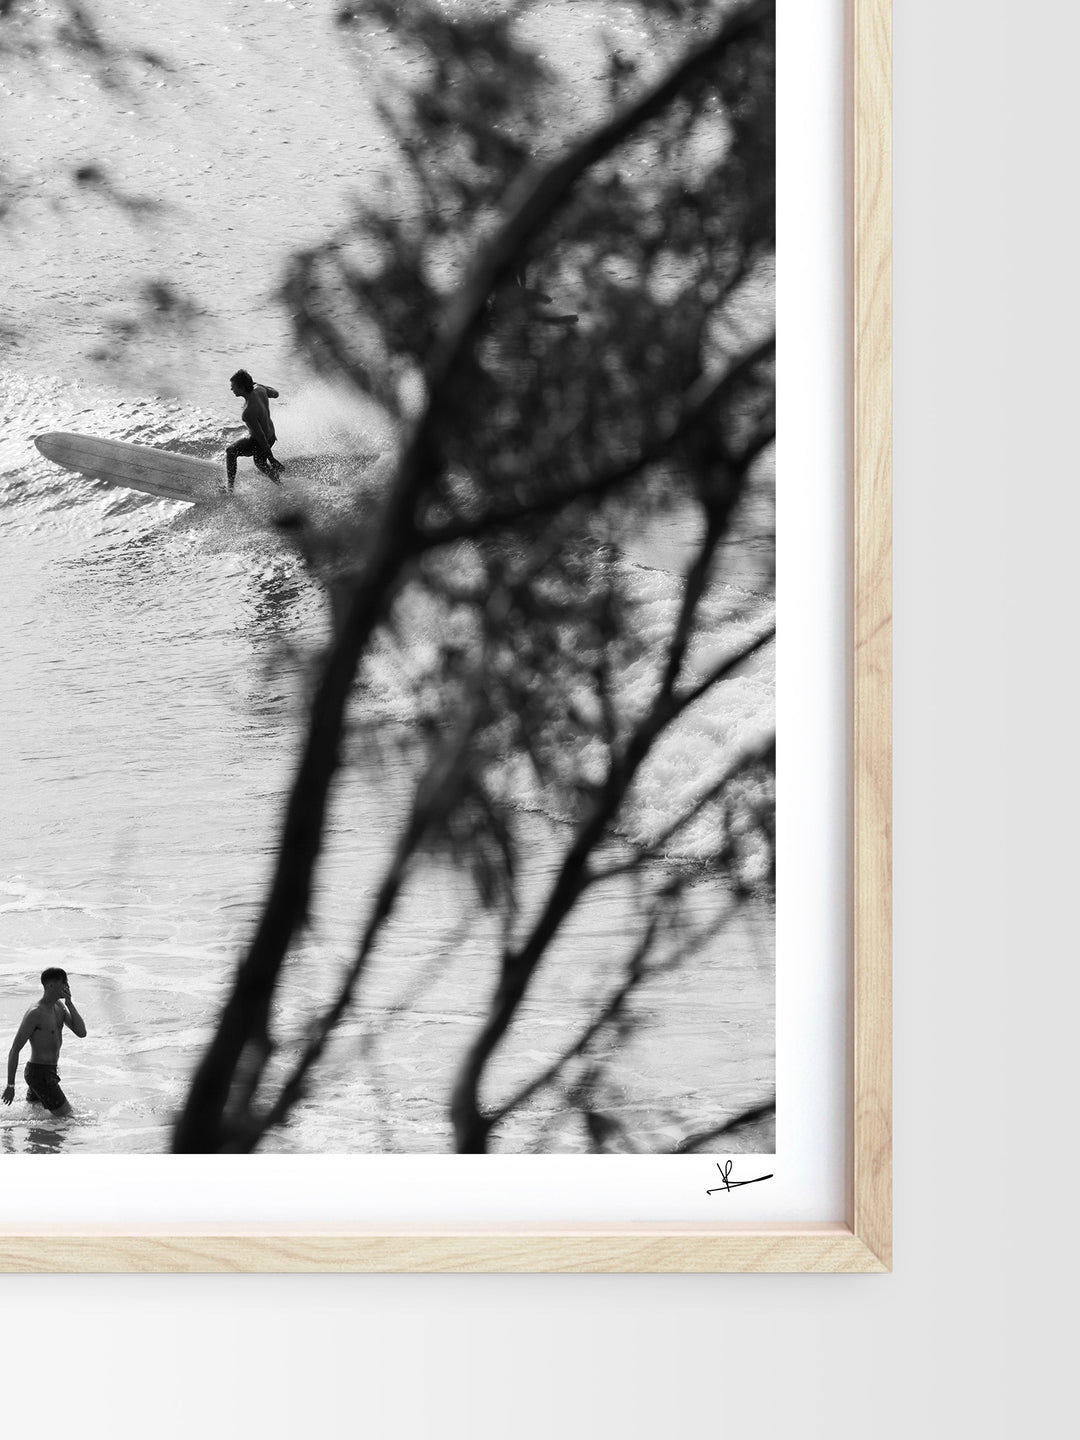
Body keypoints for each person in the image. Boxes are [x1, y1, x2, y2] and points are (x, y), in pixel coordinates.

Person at [2, 968, 87, 1118]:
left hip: (49, 1072)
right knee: (67, 1118)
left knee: (36, 1116)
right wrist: (11, 1085)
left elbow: (81, 1032)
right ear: (51, 985)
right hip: (39, 1074)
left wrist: (70, 1003)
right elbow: (14, 1050)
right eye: (64, 983)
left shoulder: (60, 1007)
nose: (67, 986)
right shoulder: (35, 1013)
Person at [225, 369, 285, 489]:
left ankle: (230, 488)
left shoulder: (248, 412)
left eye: (233, 387)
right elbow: (276, 393)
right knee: (260, 463)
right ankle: (281, 485)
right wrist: (259, 385)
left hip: (260, 441)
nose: (231, 389)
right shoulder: (260, 389)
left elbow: (260, 437)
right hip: (272, 436)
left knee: (231, 452)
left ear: (242, 388)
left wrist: (272, 459)